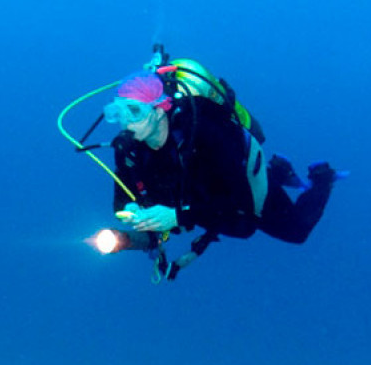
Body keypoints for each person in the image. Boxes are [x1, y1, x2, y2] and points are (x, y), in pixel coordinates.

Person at [103, 54, 340, 274]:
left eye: (134, 112)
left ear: (159, 109)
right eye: (117, 112)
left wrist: (178, 217)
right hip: (197, 203)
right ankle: (278, 172)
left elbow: (241, 207)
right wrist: (131, 212)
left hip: (236, 189)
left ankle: (322, 178)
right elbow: (121, 197)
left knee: (296, 231)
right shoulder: (128, 149)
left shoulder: (206, 135)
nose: (125, 122)